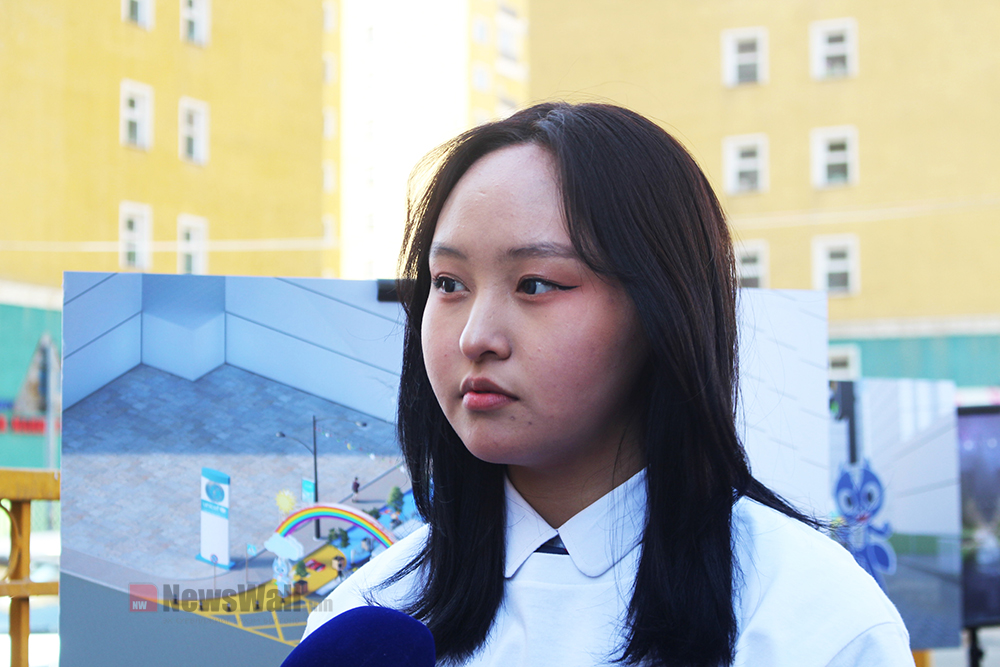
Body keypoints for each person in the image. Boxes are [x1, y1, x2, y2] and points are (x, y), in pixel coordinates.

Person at [304, 103, 913, 666]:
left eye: (536, 284)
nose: (475, 337)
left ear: (662, 309)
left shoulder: (810, 617)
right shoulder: (369, 612)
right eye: (448, 284)